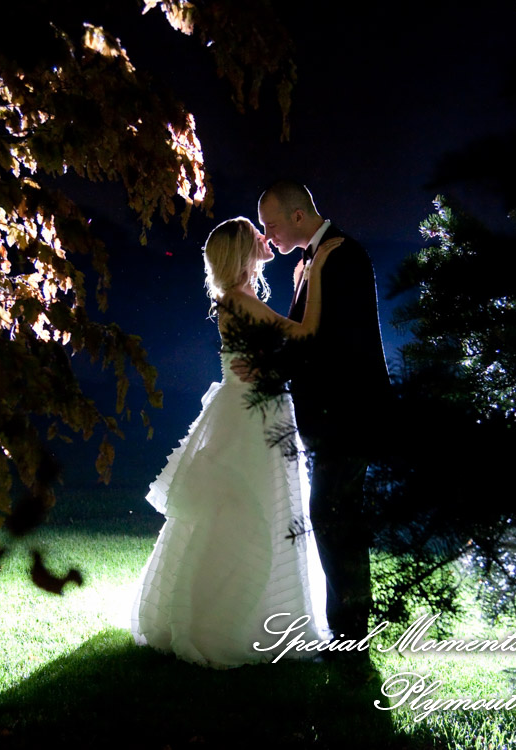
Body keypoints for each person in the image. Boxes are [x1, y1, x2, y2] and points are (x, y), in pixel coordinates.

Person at [129, 216, 341, 668]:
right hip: (254, 417)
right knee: (258, 511)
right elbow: (304, 333)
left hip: (247, 410)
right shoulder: (241, 300)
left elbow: (276, 343)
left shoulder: (235, 300)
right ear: (241, 254)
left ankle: (229, 611)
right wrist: (317, 273)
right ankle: (231, 621)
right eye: (254, 236)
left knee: (252, 511)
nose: (266, 238)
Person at [240, 180, 390, 659]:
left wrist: (272, 369)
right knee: (331, 517)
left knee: (333, 518)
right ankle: (346, 634)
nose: (268, 234)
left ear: (299, 216)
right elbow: (304, 335)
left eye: (272, 224)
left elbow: (329, 344)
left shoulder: (341, 255)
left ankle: (350, 639)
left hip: (346, 411)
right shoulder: (313, 258)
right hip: (327, 415)